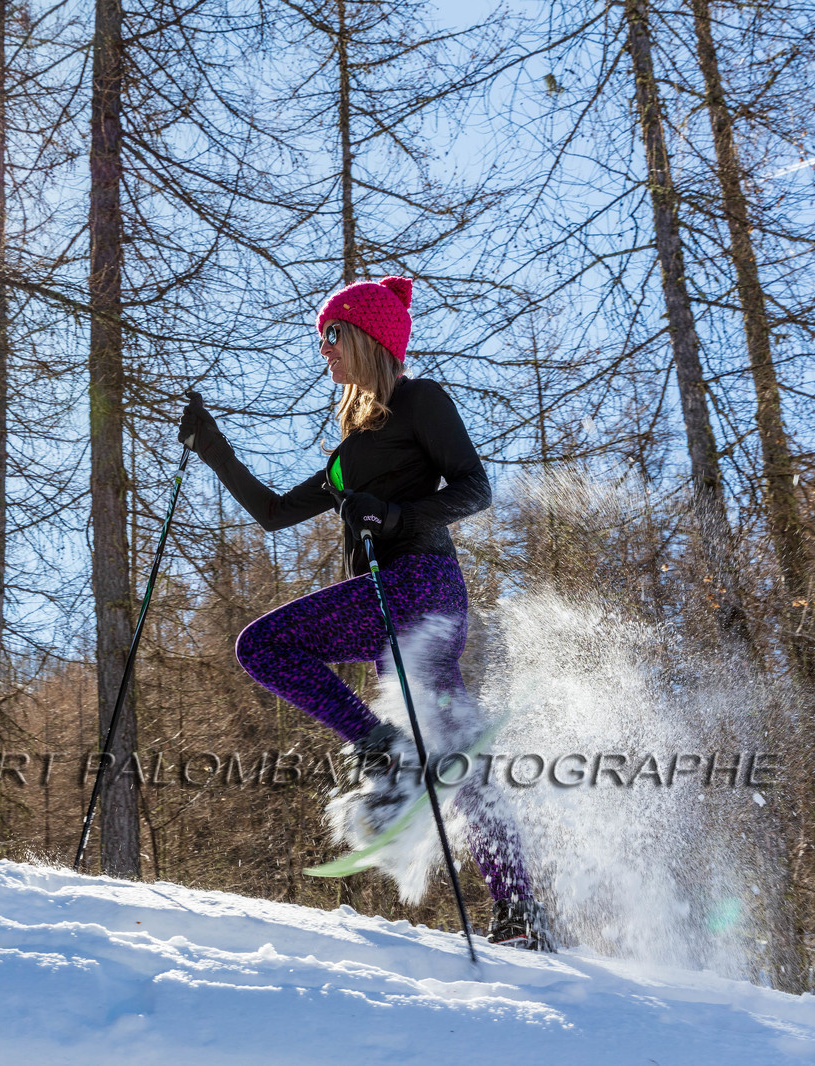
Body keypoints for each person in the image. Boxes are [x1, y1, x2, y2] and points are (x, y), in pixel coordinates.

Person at [178, 275, 553, 951]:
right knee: (456, 751)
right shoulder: (348, 452)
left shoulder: (419, 401)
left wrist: (397, 514)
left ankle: (386, 752)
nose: (324, 349)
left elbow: (475, 488)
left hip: (420, 585)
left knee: (267, 645)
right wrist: (213, 448)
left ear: (367, 334)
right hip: (387, 608)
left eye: (332, 334)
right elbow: (272, 513)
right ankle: (520, 912)